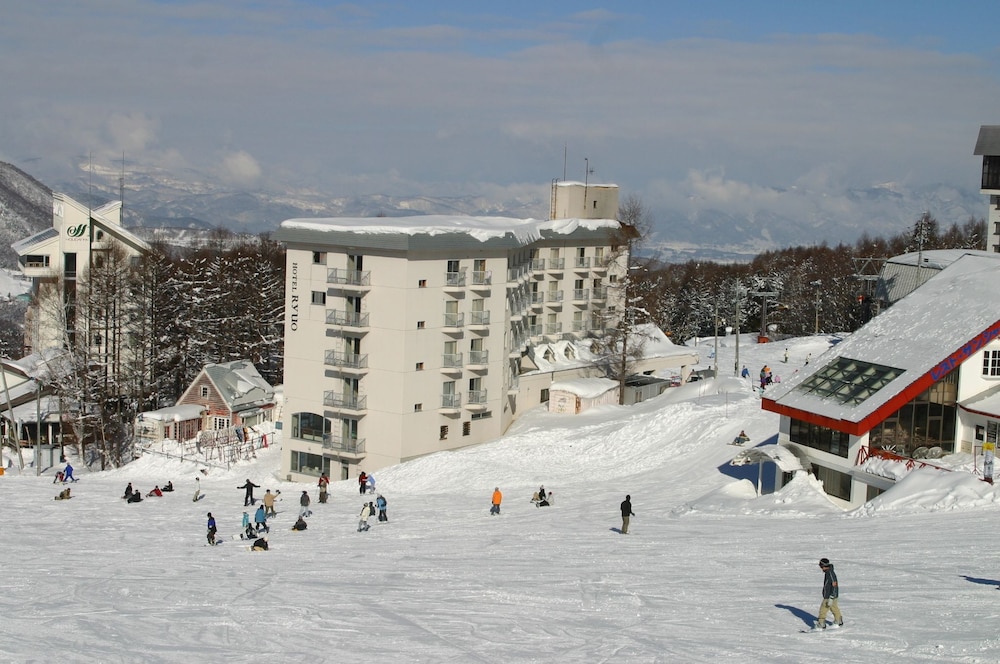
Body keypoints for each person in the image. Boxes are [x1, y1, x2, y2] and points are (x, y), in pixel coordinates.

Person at [816, 558, 843, 629]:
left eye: (821, 567)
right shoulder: (828, 572)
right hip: (831, 596)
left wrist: (831, 597)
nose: (821, 569)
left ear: (824, 566)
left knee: (823, 609)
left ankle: (821, 623)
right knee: (834, 607)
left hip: (829, 596)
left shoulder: (830, 573)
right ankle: (838, 620)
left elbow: (834, 585)